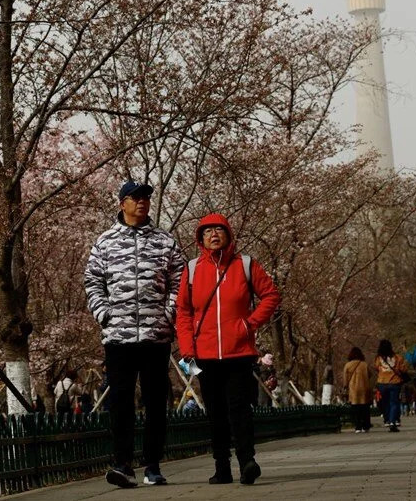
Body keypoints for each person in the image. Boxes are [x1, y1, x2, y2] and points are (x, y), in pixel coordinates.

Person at [84, 180, 185, 488]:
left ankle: (153, 466)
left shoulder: (165, 242)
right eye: (135, 198)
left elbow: (180, 282)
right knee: (120, 401)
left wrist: (167, 314)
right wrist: (105, 314)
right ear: (122, 203)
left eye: (145, 198)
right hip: (119, 337)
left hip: (156, 337)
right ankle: (122, 464)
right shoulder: (105, 242)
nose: (142, 202)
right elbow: (92, 282)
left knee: (156, 401)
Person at [176, 213, 281, 486]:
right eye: (207, 231)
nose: (213, 235)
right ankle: (221, 467)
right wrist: (187, 348)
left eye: (219, 230)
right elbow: (183, 311)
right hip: (204, 354)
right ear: (200, 239)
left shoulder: (245, 265)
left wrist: (250, 324)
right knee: (216, 412)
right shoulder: (193, 269)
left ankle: (247, 461)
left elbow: (271, 295)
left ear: (228, 235)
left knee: (240, 408)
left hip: (239, 352)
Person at [373, 339, 408, 432]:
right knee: (394, 402)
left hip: (382, 383)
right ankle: (393, 421)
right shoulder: (397, 357)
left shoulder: (378, 358)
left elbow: (376, 368)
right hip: (394, 382)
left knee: (385, 403)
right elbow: (403, 369)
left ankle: (387, 419)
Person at [344, 348, 372, 433]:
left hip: (353, 389)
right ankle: (365, 426)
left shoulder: (348, 365)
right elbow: (370, 375)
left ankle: (358, 426)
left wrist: (345, 386)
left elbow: (345, 379)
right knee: (365, 408)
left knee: (355, 408)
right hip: (364, 388)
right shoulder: (364, 364)